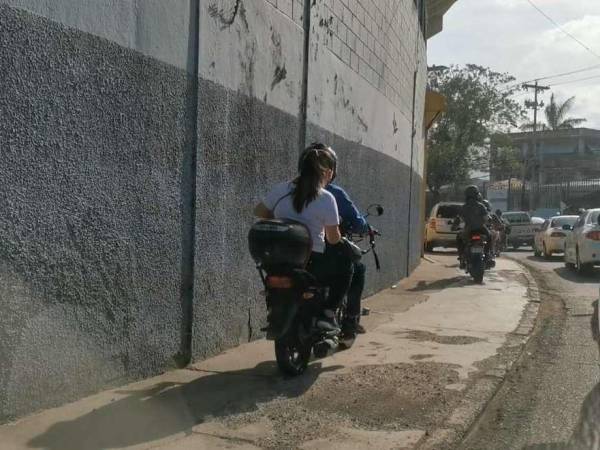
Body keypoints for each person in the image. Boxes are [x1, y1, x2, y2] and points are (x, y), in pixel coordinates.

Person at [254, 144, 354, 331]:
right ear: (328, 172)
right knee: (347, 266)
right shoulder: (326, 198)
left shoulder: (281, 189)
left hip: (278, 259)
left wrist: (282, 220)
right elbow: (333, 239)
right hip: (312, 261)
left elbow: (258, 212)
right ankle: (329, 313)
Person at [298, 144, 369, 336]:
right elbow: (338, 234)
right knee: (355, 268)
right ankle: (349, 322)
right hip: (319, 256)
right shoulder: (331, 195)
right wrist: (366, 228)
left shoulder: (287, 189)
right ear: (329, 171)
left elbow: (263, 212)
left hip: (293, 255)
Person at [453, 185, 491, 268]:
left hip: (468, 229)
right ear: (477, 195)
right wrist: (488, 222)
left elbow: (459, 219)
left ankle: (462, 258)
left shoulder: (464, 207)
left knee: (459, 238)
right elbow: (486, 218)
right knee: (489, 237)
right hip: (481, 228)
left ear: (466, 195)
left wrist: (454, 226)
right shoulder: (481, 206)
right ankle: (487, 256)